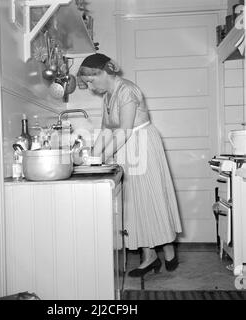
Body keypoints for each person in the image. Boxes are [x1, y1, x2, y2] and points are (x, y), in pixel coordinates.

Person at [77, 53, 182, 277]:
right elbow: (106, 130)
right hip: (126, 146)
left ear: (103, 73)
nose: (90, 87)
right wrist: (92, 157)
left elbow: (124, 130)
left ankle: (167, 246)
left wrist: (103, 158)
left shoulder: (127, 90)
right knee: (135, 202)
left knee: (150, 197)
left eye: (91, 81)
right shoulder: (108, 95)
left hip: (141, 143)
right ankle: (150, 255)